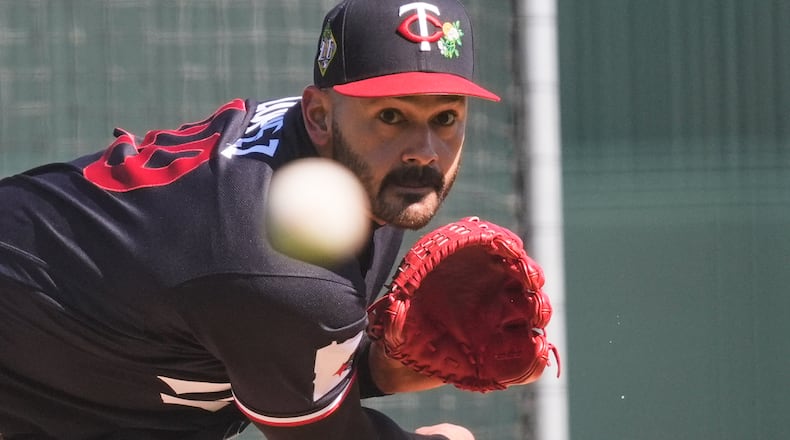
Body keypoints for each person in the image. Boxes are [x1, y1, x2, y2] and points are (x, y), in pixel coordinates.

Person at [0, 0, 500, 438]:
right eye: (391, 116)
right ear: (320, 116)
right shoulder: (280, 266)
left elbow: (258, 352)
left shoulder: (353, 173)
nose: (424, 152)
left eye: (446, 118)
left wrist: (379, 368)